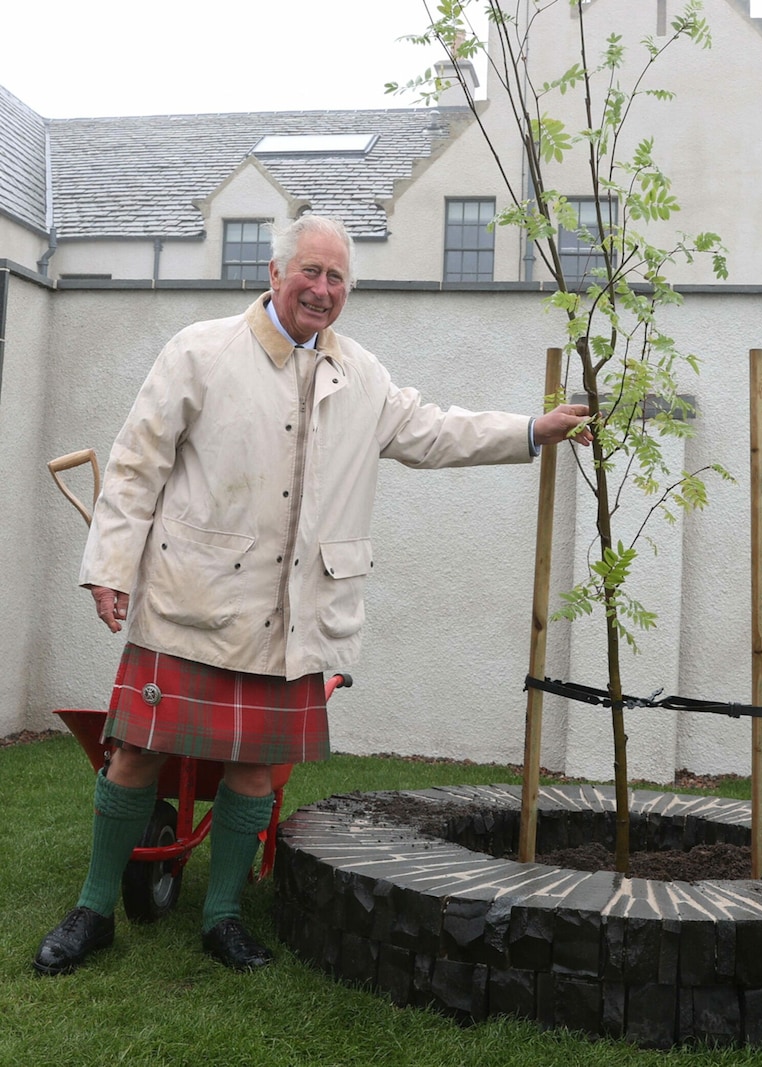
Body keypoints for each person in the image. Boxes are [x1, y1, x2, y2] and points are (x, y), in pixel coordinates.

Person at [34, 214, 591, 976]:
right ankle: (94, 908)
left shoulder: (361, 374)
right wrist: (109, 565)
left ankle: (223, 917)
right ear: (273, 273)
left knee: (255, 772)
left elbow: (433, 431)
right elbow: (136, 464)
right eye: (310, 273)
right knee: (135, 752)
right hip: (189, 597)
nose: (322, 290)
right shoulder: (199, 352)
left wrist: (532, 427)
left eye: (336, 279)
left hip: (294, 613)